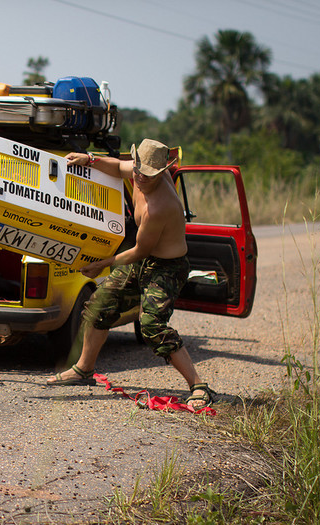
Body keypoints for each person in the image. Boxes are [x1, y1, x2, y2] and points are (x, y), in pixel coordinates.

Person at [45, 139, 213, 410]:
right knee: (100, 305)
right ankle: (84, 370)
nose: (140, 177)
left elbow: (138, 251)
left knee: (152, 325)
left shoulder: (159, 206)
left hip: (166, 267)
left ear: (161, 173)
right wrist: (89, 159)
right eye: (138, 170)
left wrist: (103, 263)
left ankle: (198, 386)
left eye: (148, 174)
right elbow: (119, 167)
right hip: (143, 260)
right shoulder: (137, 172)